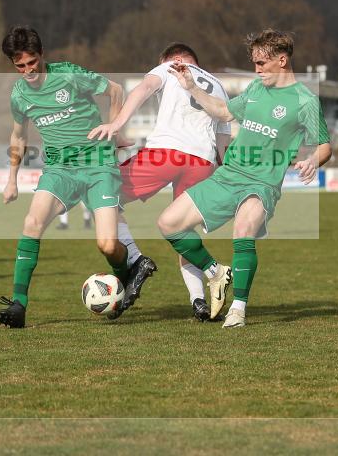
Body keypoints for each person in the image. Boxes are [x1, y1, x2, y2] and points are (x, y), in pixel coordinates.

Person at [157, 29, 332, 328]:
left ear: (282, 60)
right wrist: (191, 87)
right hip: (228, 176)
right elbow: (223, 111)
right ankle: (215, 272)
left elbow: (325, 146)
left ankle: (238, 309)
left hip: (262, 184)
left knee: (243, 230)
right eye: (254, 63)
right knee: (168, 223)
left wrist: (311, 160)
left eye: (261, 63)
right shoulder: (256, 88)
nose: (257, 69)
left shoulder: (305, 101)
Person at [0, 26, 156, 328]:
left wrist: (115, 129)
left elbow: (115, 90)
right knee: (32, 222)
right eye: (20, 66)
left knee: (107, 245)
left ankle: (127, 272)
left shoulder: (68, 74)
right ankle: (18, 304)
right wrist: (11, 178)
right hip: (59, 170)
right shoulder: (19, 95)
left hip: (98, 165)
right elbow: (18, 136)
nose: (28, 71)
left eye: (32, 62)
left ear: (42, 54)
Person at [88, 43, 231, 321]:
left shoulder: (170, 66)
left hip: (166, 154)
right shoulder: (218, 85)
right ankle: (200, 299)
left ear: (174, 59)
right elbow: (223, 138)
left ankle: (135, 260)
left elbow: (142, 89)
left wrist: (116, 125)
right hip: (203, 161)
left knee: (100, 192)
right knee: (182, 231)